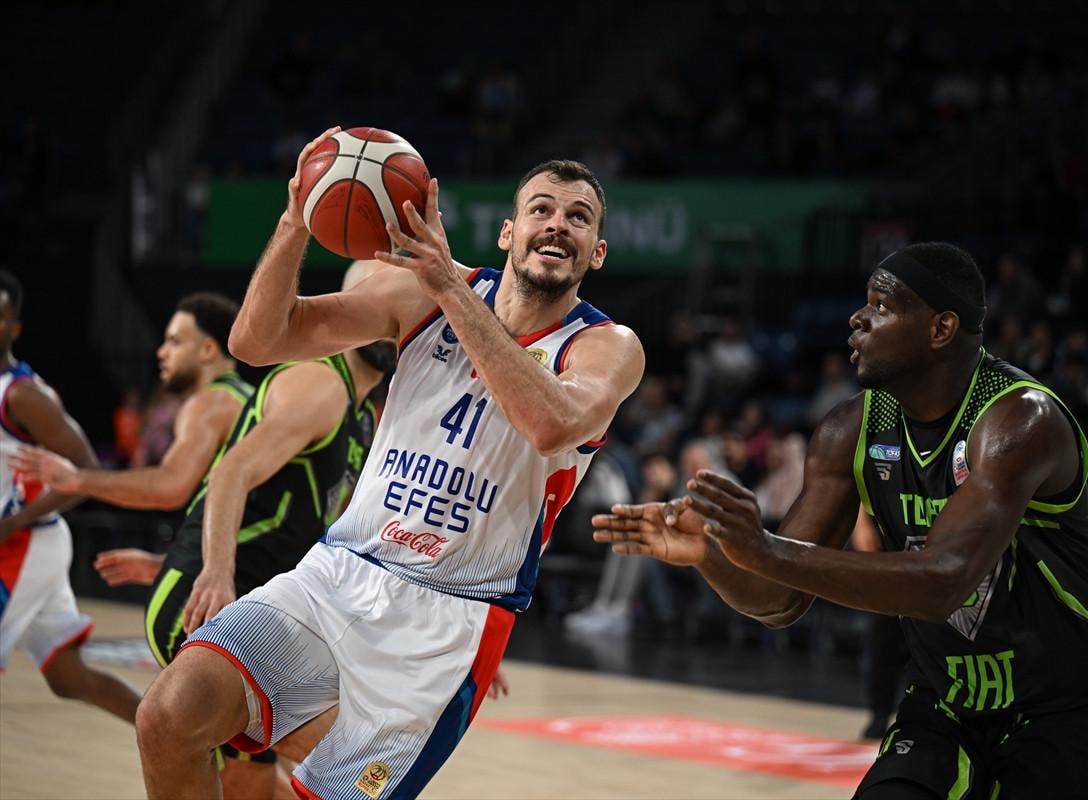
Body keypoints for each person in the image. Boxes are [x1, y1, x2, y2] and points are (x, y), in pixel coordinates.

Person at [134, 128, 644, 800]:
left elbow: (552, 424)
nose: (558, 224)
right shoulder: (422, 294)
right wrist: (295, 221)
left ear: (597, 251)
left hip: (451, 620)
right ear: (508, 232)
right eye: (541, 209)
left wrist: (450, 288)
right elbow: (258, 341)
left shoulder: (607, 346)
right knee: (168, 718)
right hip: (338, 573)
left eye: (579, 217)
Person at [595, 242, 1088, 800]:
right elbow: (778, 599)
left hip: (1067, 705)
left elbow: (944, 581)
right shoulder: (849, 430)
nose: (857, 318)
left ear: (941, 328)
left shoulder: (1019, 419)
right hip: (946, 703)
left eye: (882, 305)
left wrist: (766, 549)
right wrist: (715, 556)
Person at [15, 292, 253, 588]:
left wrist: (77, 479)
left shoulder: (211, 403)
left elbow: (170, 486)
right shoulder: (244, 398)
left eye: (175, 342)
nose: (162, 352)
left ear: (207, 350)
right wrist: (165, 564)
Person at [0, 269, 142, 724]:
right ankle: (176, 734)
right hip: (26, 544)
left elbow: (87, 471)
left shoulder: (24, 396)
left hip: (24, 543)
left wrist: (14, 522)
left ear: (14, 328)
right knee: (69, 678)